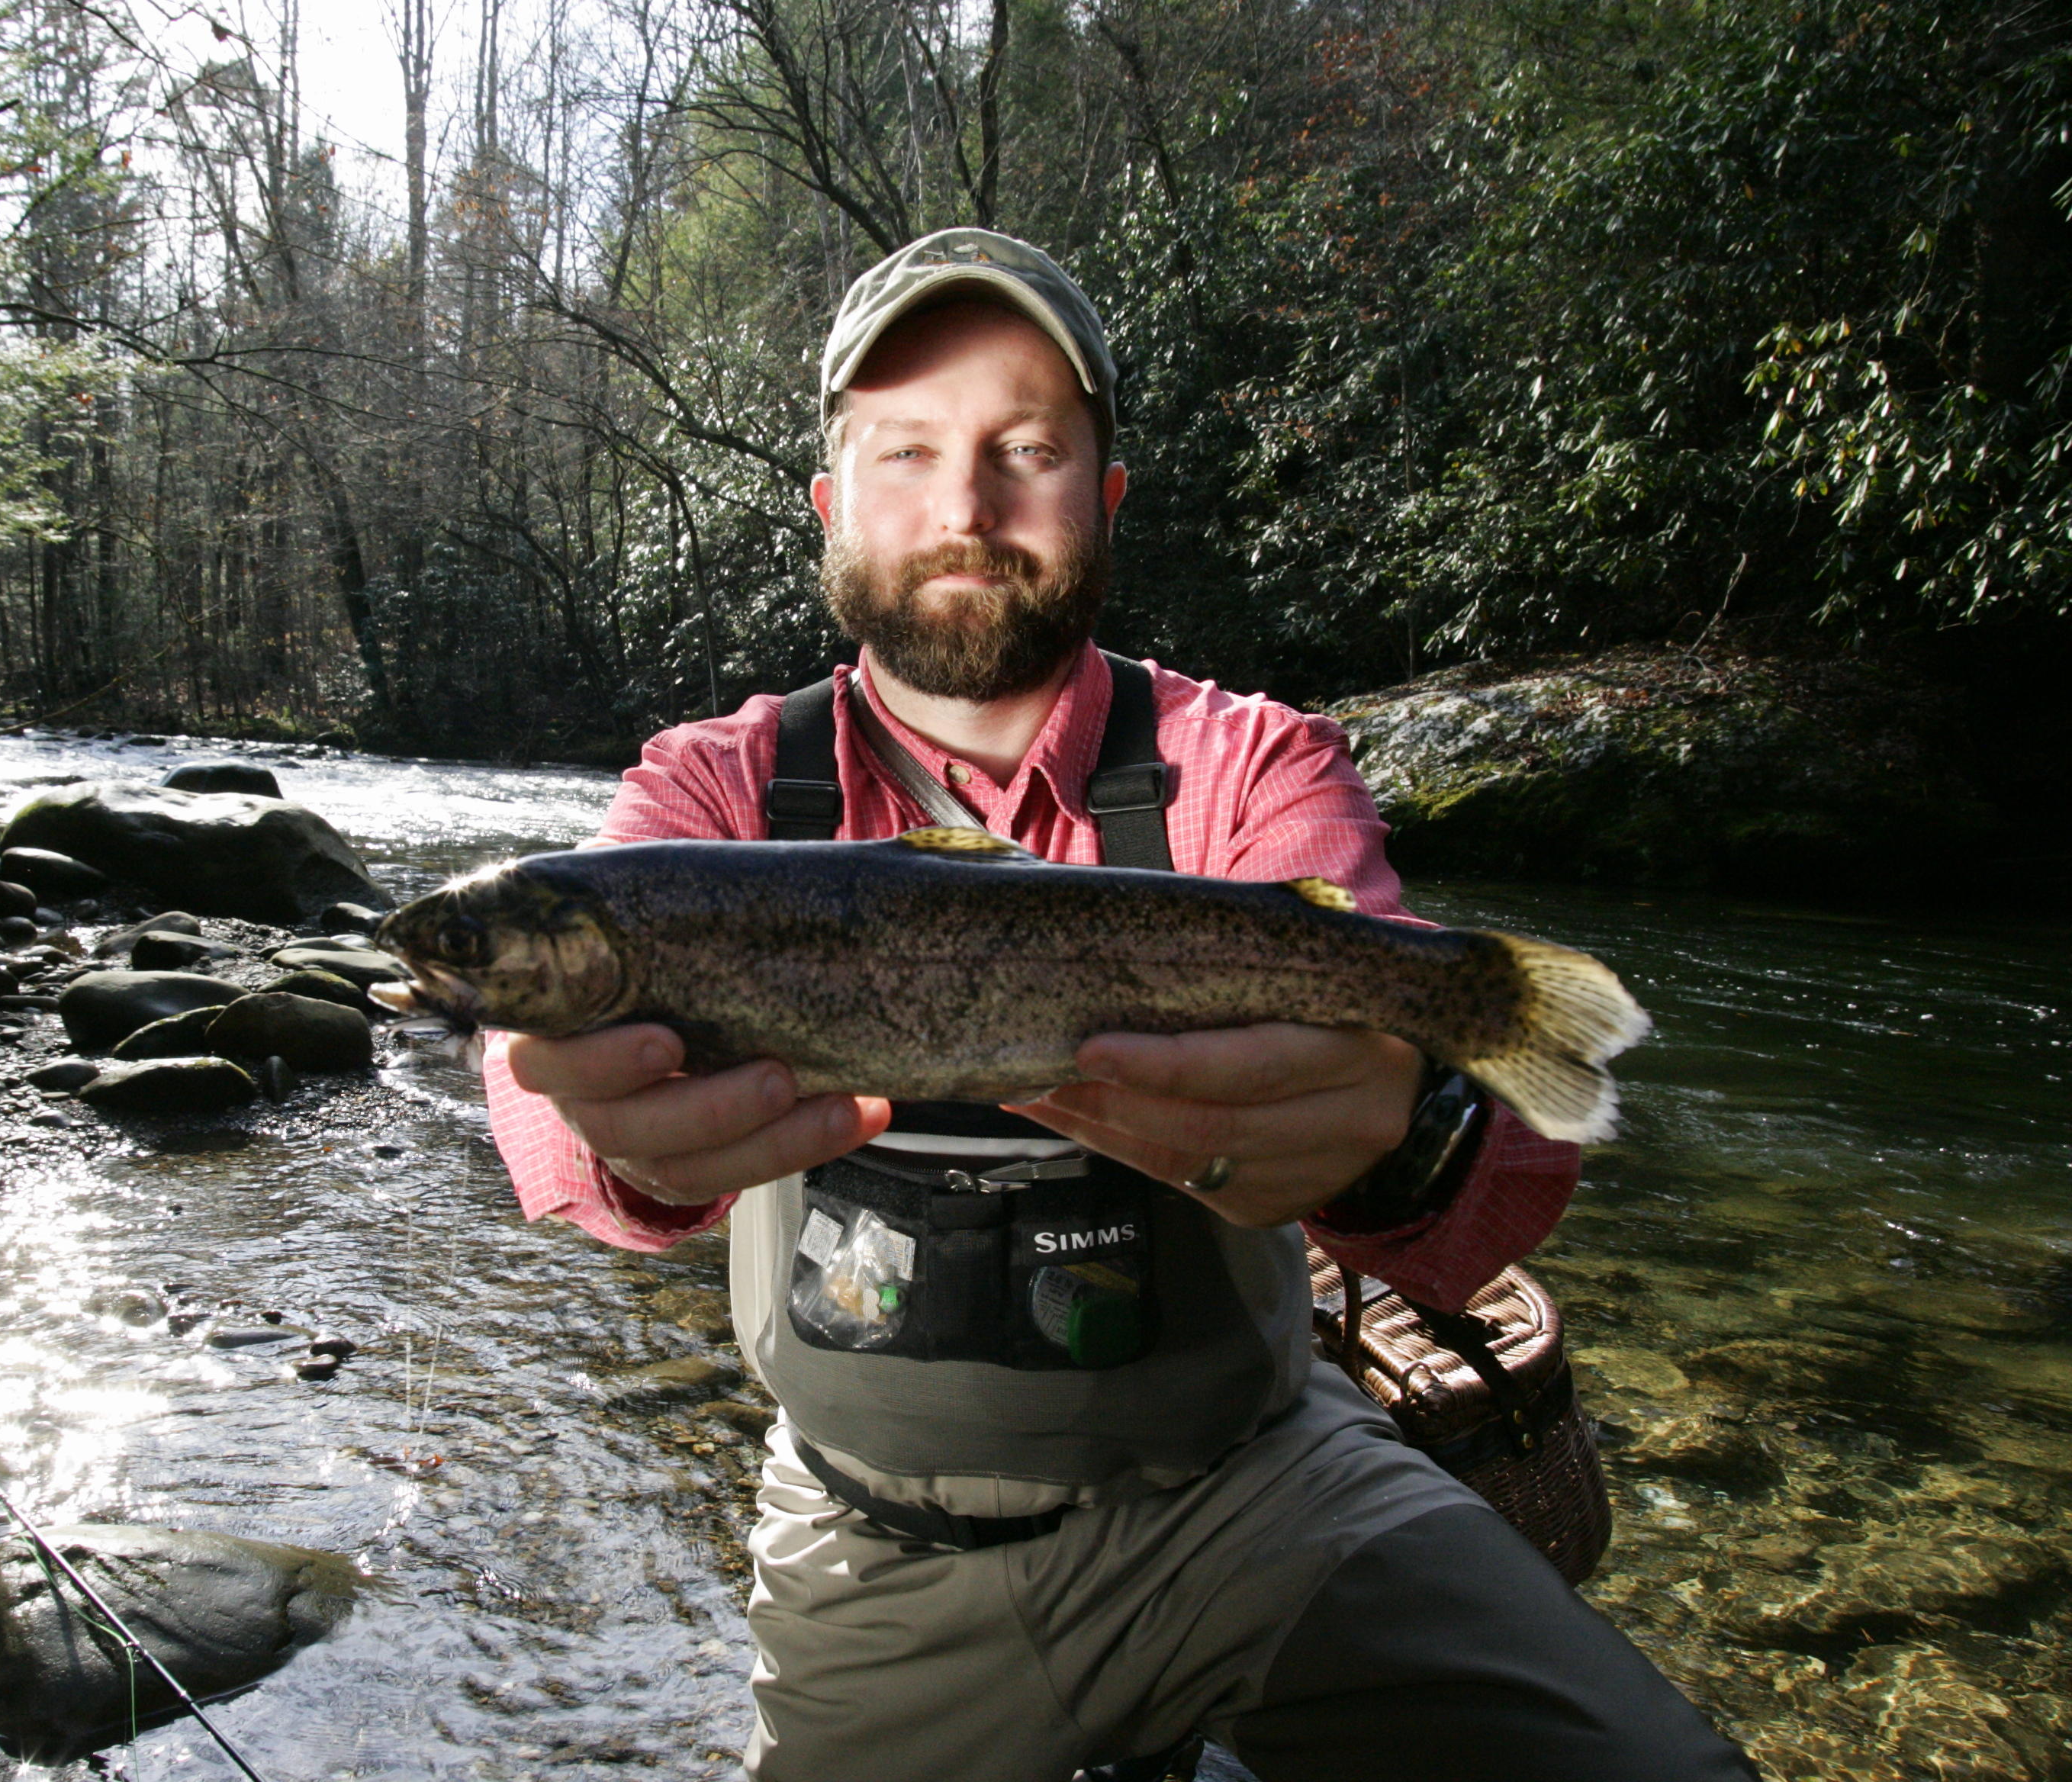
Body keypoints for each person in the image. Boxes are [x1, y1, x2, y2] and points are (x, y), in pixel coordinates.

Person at [481, 229, 1755, 1782]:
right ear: (830, 505)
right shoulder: (712, 788)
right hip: (868, 1554)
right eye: (908, 454)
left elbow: (1491, 1183)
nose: (965, 508)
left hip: (1258, 1490)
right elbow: (541, 1067)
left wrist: (1399, 1130)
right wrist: (614, 1134)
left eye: (1028, 452)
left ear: (1107, 496)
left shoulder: (1258, 768)